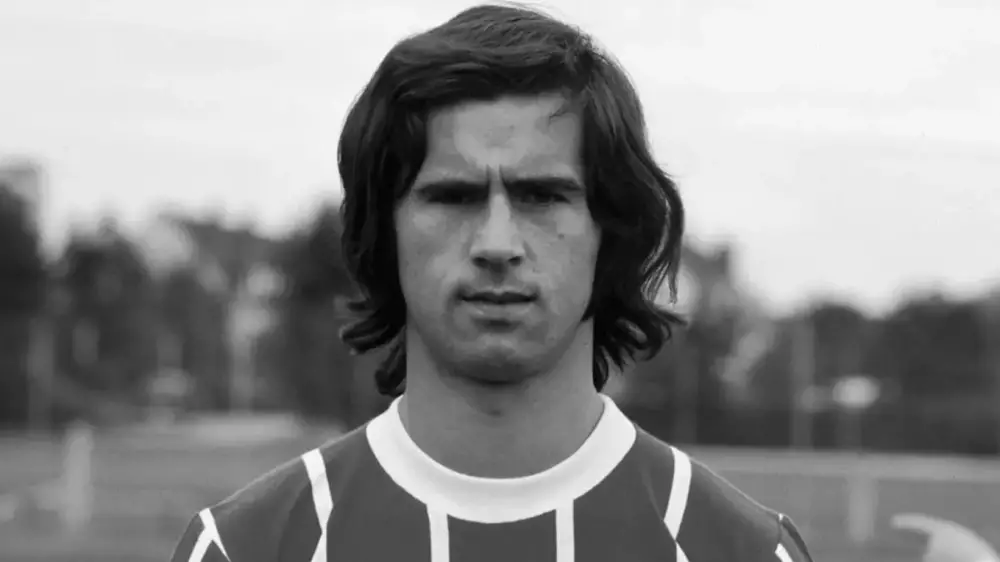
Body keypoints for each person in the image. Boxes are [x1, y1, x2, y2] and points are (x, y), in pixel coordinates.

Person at [170, 4, 815, 561]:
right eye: (453, 196)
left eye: (542, 195)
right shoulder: (242, 550)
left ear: (611, 228)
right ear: (384, 231)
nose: (497, 244)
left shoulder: (745, 553)